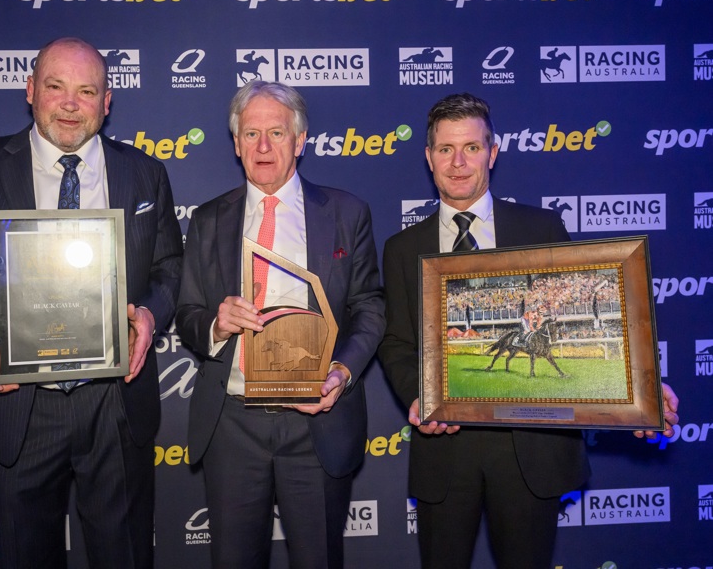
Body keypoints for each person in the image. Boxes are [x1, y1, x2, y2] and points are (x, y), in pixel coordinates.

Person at [0, 37, 182, 568]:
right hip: (20, 405)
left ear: (107, 102)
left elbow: (171, 266)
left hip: (116, 404)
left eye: (87, 91)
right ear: (30, 90)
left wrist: (149, 314)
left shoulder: (145, 172)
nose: (71, 104)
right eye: (56, 87)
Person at [378, 93, 679, 569]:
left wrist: (642, 389)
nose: (458, 163)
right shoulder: (401, 248)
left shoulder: (543, 227)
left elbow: (589, 312)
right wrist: (419, 395)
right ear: (428, 156)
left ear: (493, 153)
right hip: (444, 450)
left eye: (472, 148)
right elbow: (396, 341)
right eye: (446, 149)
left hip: (530, 450)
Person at [175, 81, 385, 569]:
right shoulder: (207, 219)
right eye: (251, 134)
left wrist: (342, 371)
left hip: (316, 422)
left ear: (300, 140)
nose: (264, 147)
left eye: (276, 133)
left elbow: (369, 307)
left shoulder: (347, 213)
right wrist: (216, 325)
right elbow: (187, 314)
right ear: (236, 144)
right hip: (233, 425)